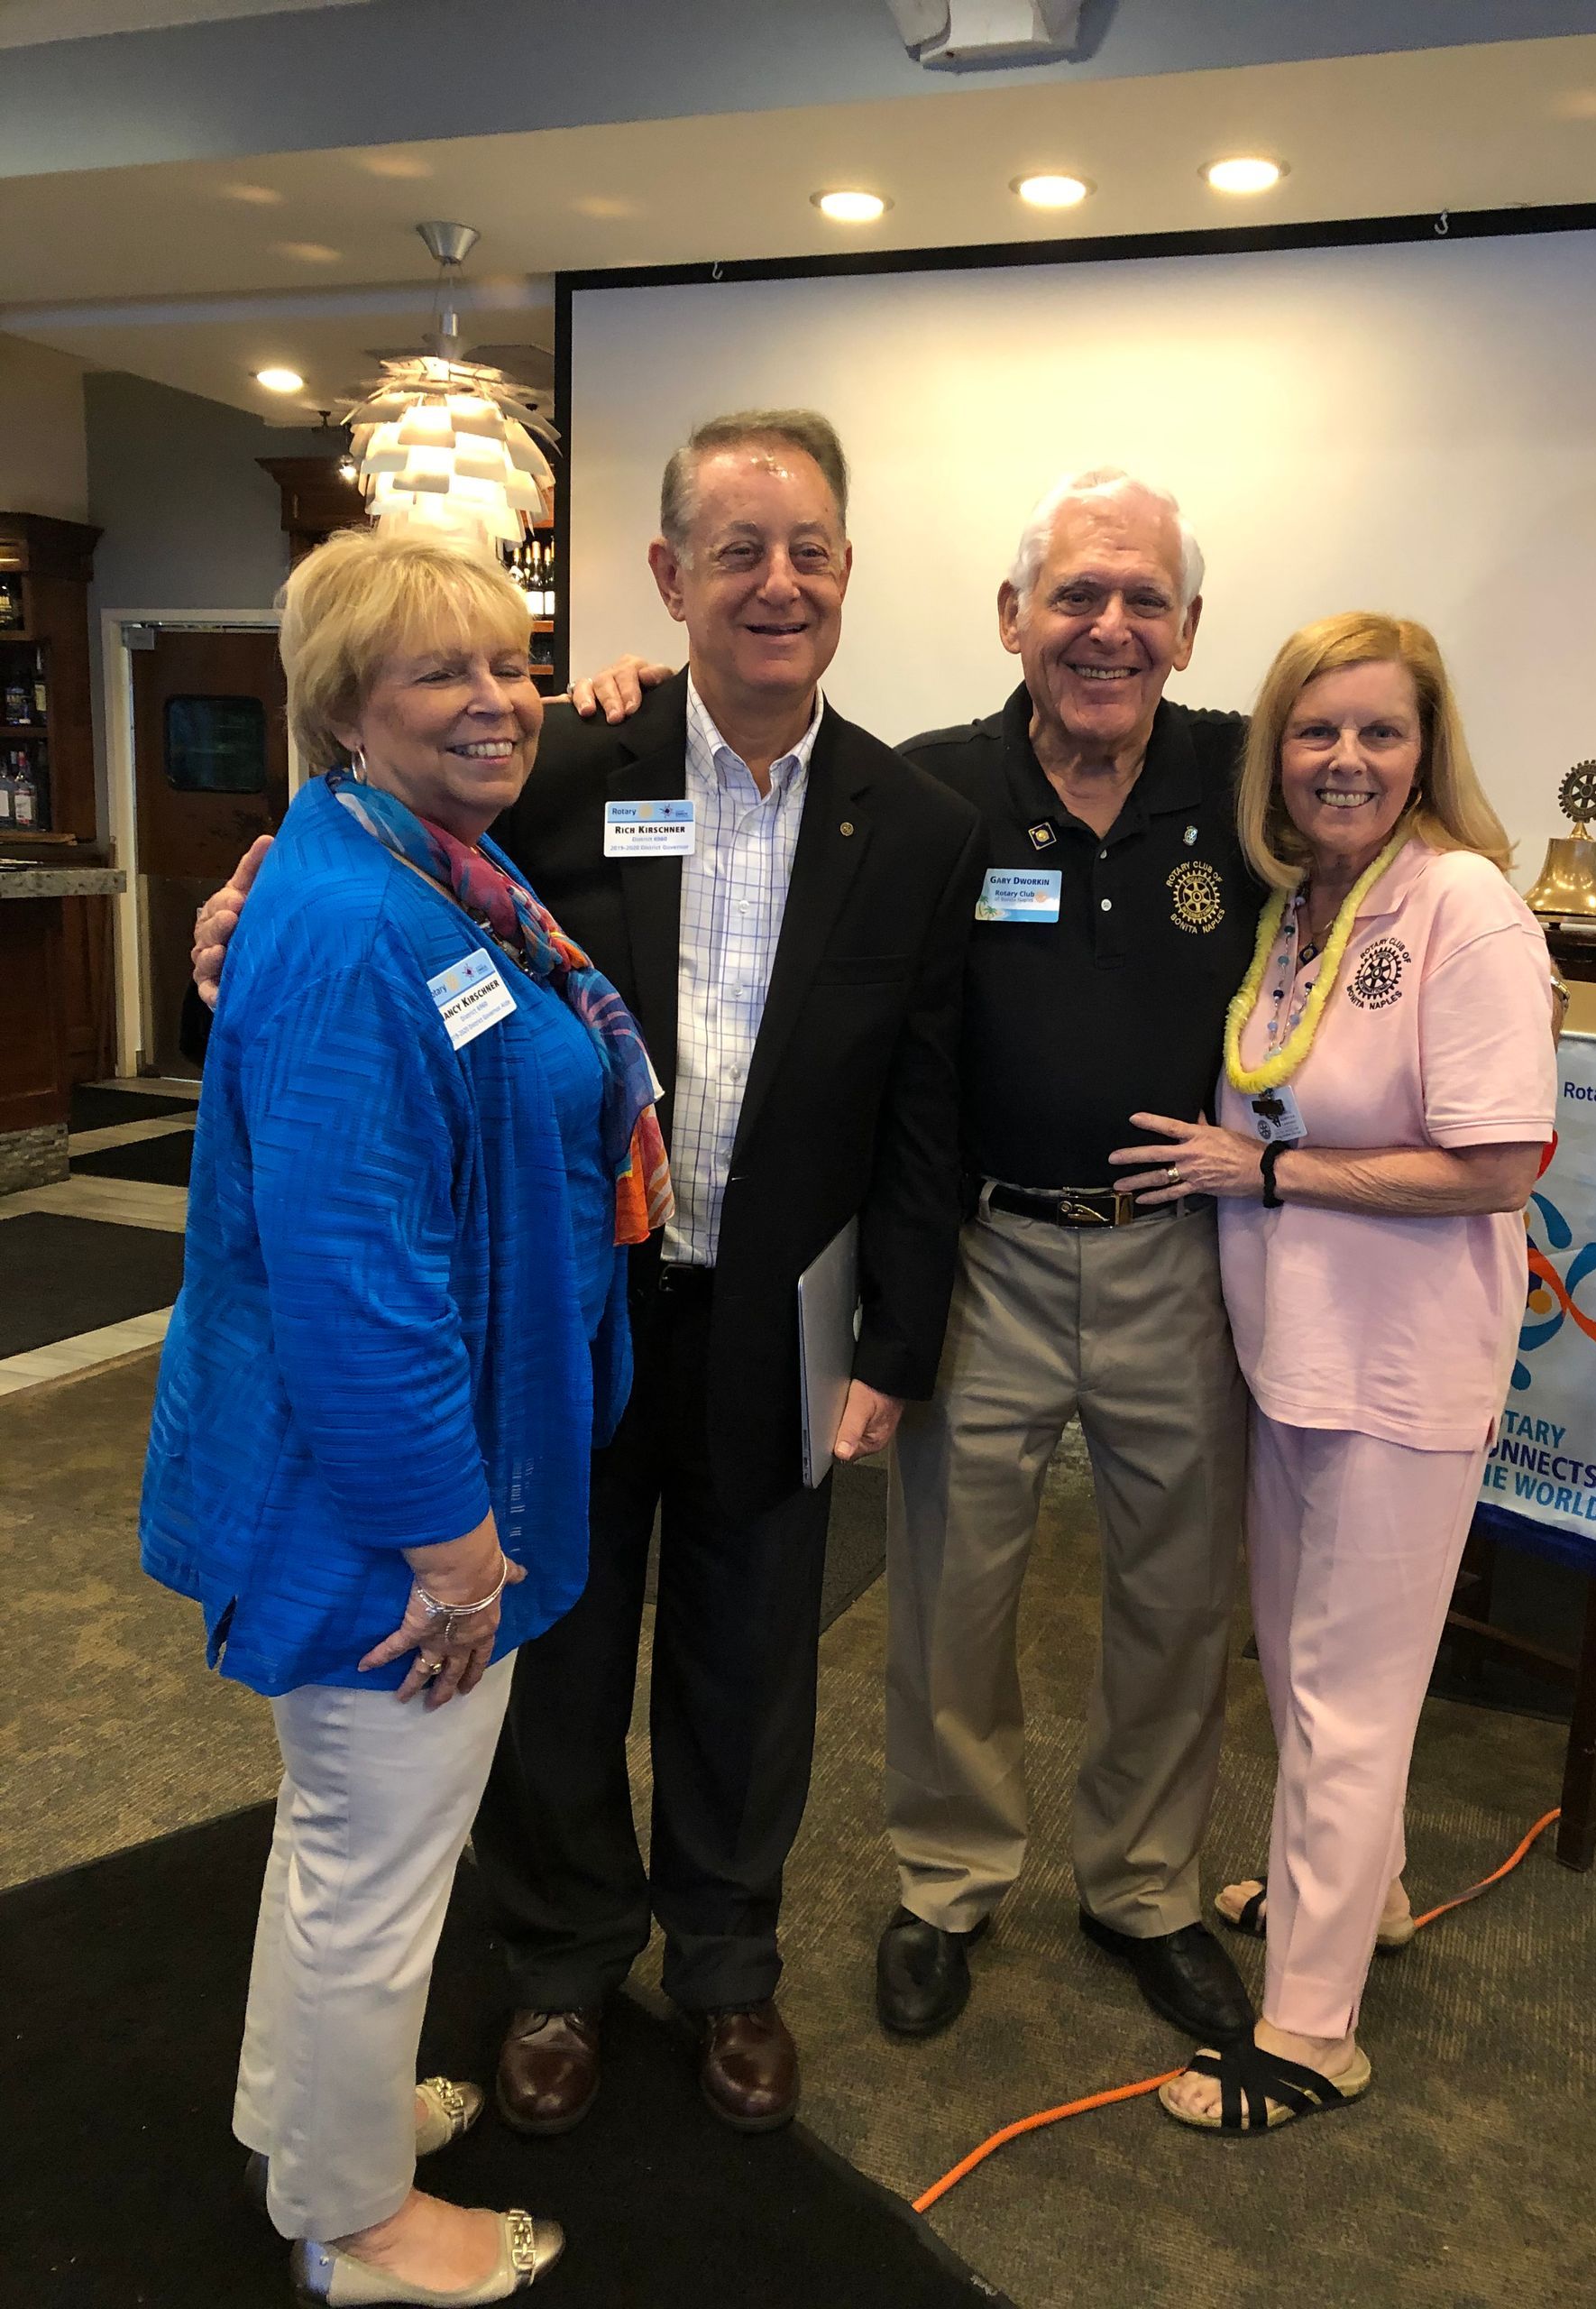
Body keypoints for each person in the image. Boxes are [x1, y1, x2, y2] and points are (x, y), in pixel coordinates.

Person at [193, 409, 986, 2139]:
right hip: (563, 1320)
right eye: (737, 553)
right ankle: (558, 1963)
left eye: (811, 553)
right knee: (551, 1646)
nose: (778, 586)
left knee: (752, 1654)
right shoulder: (558, 768)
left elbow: (927, 1116)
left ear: (848, 573)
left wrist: (895, 1346)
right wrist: (236, 911)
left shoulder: (911, 827)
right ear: (667, 579)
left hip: (781, 1323)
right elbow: (369, 858)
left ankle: (724, 1961)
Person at [566, 469, 1265, 2050]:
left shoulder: (1244, 786)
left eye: (1143, 600)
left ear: (1191, 628)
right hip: (986, 1251)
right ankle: (947, 1882)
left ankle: (1143, 1886)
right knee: (951, 1593)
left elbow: (1394, 790)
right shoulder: (932, 798)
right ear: (1011, 616)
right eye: (1075, 596)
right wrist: (611, 683)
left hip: (1178, 1262)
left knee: (1173, 1601)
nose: (1107, 628)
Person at [144, 527, 667, 2302]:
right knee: (379, 1869)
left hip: (405, 1486)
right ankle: (358, 2223)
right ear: (344, 701)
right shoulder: (363, 918)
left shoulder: (423, 873)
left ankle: (315, 2130)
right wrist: (454, 1553)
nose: (496, 697)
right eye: (440, 669)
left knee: (345, 1847)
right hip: (385, 1518)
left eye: (510, 659)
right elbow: (361, 1292)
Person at [1110, 611, 1555, 2135]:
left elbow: (1499, 1165)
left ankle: (1311, 2035)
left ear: (1429, 745)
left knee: (1348, 1693)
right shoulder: (1301, 905)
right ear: (1274, 756)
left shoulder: (1468, 906)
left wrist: (1275, 1175)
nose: (1346, 759)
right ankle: (1367, 1895)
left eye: (1380, 729)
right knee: (1307, 1667)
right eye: (1317, 730)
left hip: (1400, 1369)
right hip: (1291, 1358)